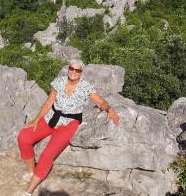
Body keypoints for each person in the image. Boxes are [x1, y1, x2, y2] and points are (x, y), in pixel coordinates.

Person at [17, 59, 120, 195]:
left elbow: (100, 102)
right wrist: (36, 120)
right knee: (23, 137)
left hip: (68, 124)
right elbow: (49, 102)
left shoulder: (85, 87)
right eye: (71, 68)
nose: (73, 72)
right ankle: (32, 171)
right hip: (51, 118)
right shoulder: (59, 82)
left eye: (77, 70)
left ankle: (28, 191)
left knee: (47, 155)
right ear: (69, 69)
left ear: (81, 72)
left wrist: (109, 110)